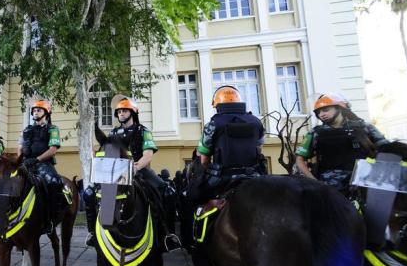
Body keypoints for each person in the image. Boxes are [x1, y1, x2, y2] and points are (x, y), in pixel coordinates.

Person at [84, 95, 181, 251]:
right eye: (119, 111)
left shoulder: (143, 131)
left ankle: (167, 235)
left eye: (124, 111)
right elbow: (107, 152)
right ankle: (93, 233)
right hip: (117, 173)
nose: (121, 114)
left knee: (168, 192)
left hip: (140, 170)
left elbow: (148, 154)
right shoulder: (113, 133)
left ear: (133, 112)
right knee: (89, 193)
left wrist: (135, 167)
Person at [187, 86, 266, 208]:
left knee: (193, 196)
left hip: (222, 180)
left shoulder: (212, 124)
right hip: (255, 176)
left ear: (218, 105)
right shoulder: (256, 122)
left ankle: (201, 222)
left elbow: (204, 160)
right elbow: (259, 148)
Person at [295, 93, 388, 196]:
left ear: (340, 108)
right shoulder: (316, 132)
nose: (321, 114)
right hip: (331, 190)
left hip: (364, 185)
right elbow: (300, 159)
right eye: (318, 112)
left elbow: (387, 150)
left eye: (326, 110)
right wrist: (315, 182)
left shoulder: (364, 127)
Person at [20, 100, 66, 229]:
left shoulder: (53, 129)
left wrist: (36, 160)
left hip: (43, 164)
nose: (35, 112)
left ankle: (51, 218)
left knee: (54, 182)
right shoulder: (27, 129)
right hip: (26, 163)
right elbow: (20, 147)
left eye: (39, 110)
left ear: (46, 113)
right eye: (34, 110)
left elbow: (52, 150)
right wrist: (20, 159)